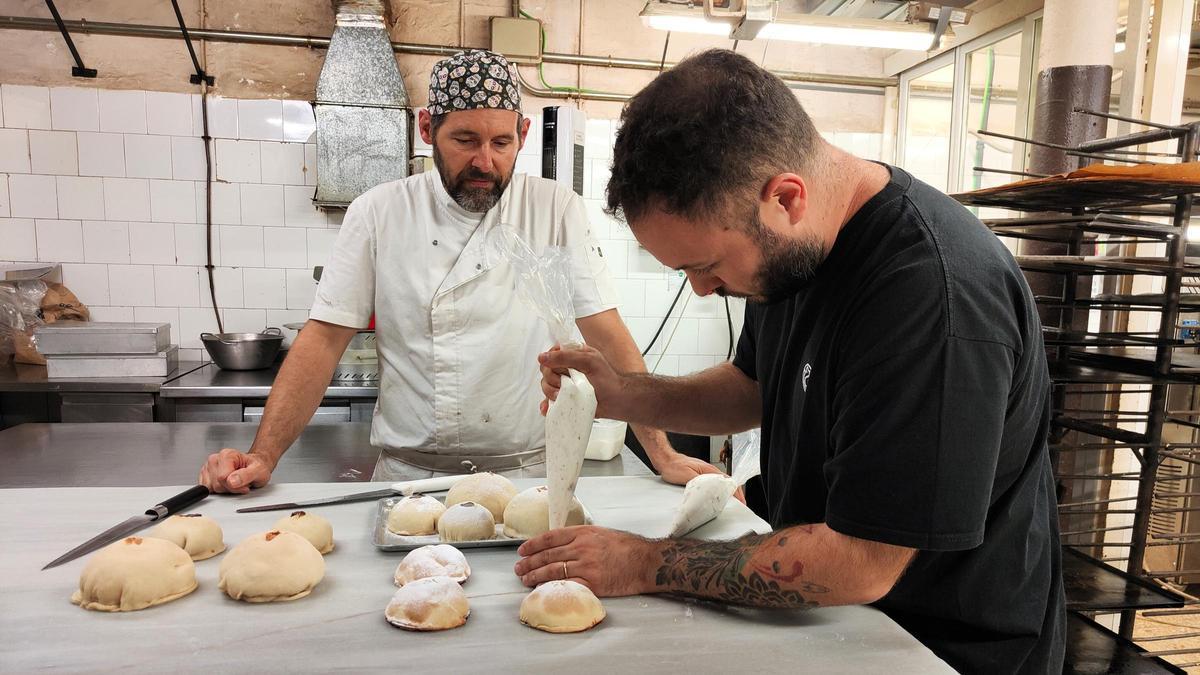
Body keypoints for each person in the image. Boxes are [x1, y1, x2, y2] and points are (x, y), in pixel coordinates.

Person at [516, 49, 1064, 673]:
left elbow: (860, 562)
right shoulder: (793, 252)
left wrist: (647, 562)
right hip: (837, 625)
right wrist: (624, 393)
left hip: (941, 647)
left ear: (785, 197)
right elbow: (754, 387)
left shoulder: (931, 298)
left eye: (706, 267)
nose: (701, 289)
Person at [199, 50, 716, 492]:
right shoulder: (379, 213)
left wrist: (662, 453)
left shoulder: (554, 209)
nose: (485, 162)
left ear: (523, 133)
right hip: (410, 479)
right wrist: (264, 454)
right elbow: (323, 340)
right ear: (427, 128)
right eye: (465, 140)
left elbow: (605, 333)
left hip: (530, 477)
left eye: (501, 143)